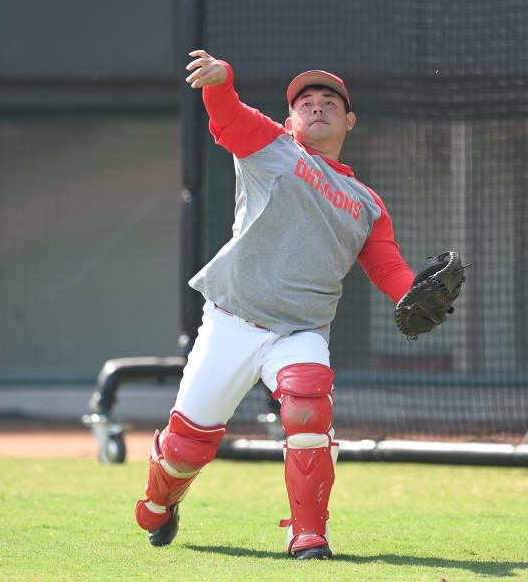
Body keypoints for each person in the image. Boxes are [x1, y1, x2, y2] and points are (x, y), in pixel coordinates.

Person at [134, 49, 418, 560]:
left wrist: (413, 294)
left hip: (300, 330)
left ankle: (308, 534)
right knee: (183, 452)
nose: (316, 107)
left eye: (329, 101)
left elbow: (388, 268)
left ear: (349, 120)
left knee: (309, 407)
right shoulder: (272, 148)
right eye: (305, 101)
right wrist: (221, 82)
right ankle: (164, 499)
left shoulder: (369, 203)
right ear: (291, 119)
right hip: (233, 319)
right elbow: (228, 118)